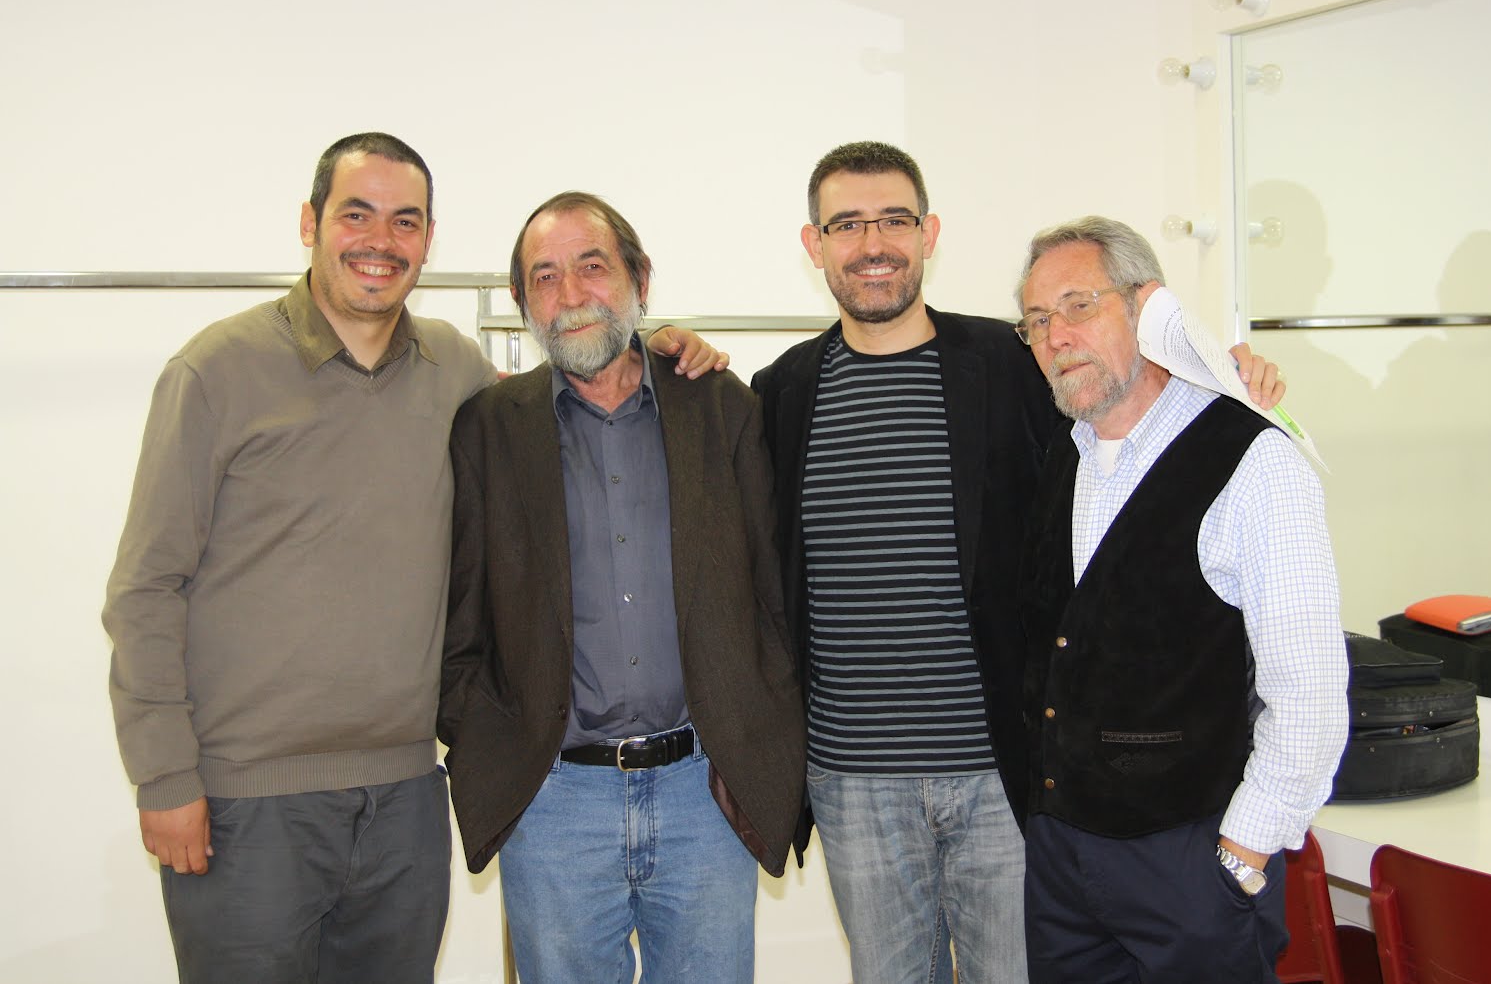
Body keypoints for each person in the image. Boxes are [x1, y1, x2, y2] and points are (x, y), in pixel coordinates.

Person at [101, 134, 722, 984]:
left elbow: (577, 378)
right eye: (356, 214)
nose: (380, 241)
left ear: (429, 239)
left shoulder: (453, 370)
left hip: (404, 798)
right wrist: (164, 774)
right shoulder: (217, 369)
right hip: (247, 800)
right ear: (310, 223)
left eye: (405, 221)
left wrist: (659, 348)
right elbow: (145, 587)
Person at [750, 141, 1285, 984]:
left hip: (1005, 771)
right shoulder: (782, 391)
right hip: (853, 780)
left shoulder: (1014, 361)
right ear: (814, 244)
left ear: (929, 233)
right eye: (846, 224)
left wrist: (1219, 379)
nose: (872, 243)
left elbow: (1127, 409)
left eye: (894, 219)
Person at [439, 191, 805, 983]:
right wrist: (487, 744)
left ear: (640, 278)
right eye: (545, 276)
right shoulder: (488, 428)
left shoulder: (722, 407)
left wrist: (762, 734)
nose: (571, 294)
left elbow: (773, 599)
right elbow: (461, 622)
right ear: (521, 301)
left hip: (703, 794)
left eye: (592, 266)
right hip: (554, 803)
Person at [1013, 216, 1348, 984]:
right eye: (1036, 320)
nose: (1057, 335)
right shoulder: (1065, 456)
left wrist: (1240, 854)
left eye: (1078, 305)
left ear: (1146, 306)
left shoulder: (1253, 460)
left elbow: (1311, 696)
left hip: (1191, 864)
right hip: (1063, 863)